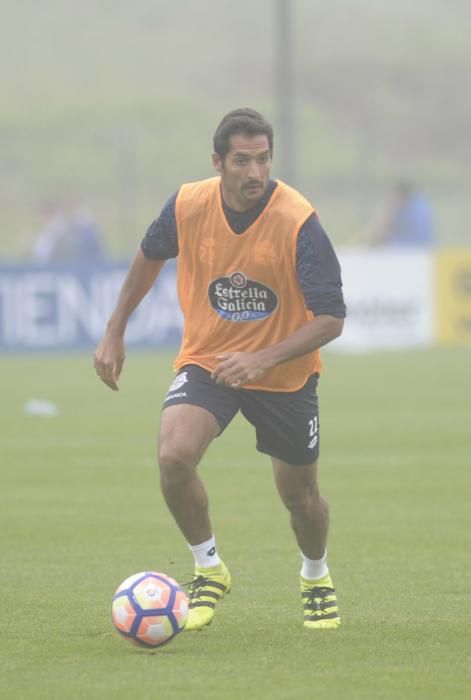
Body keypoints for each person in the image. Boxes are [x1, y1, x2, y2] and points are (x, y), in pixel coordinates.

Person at [94, 108, 347, 631]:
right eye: (242, 161)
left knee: (300, 498)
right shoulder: (189, 204)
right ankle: (209, 568)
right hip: (209, 360)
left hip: (284, 375)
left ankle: (316, 575)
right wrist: (115, 328)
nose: (255, 172)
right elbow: (148, 255)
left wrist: (261, 358)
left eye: (263, 159)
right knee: (173, 456)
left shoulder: (298, 220)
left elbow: (331, 319)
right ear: (218, 163)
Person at [368, 181, 436, 247]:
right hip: (419, 248)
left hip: (410, 250)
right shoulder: (419, 206)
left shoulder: (415, 211)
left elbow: (385, 232)